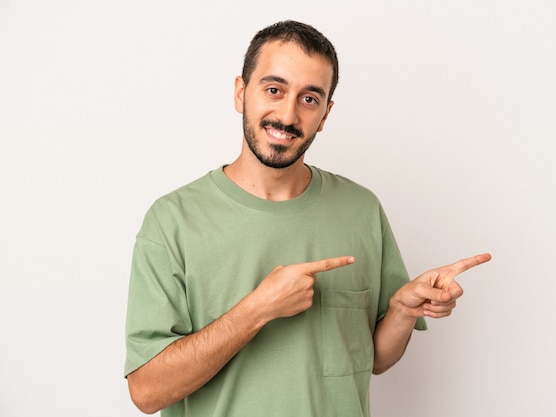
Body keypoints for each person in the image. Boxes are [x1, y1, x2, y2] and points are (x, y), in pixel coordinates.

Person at [124, 20, 491, 417]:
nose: (287, 114)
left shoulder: (361, 209)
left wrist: (402, 311)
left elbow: (375, 360)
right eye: (274, 89)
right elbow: (147, 392)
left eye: (309, 99)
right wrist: (258, 308)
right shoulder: (173, 221)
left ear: (326, 113)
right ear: (240, 92)